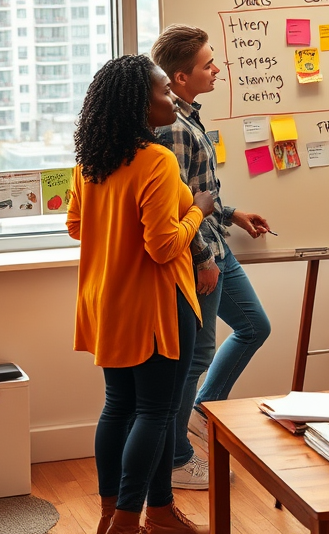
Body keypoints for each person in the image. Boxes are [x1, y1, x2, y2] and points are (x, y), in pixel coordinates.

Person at [67, 55, 215, 534]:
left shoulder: (90, 161)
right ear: (137, 103)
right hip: (156, 304)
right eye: (161, 92)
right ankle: (132, 520)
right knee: (156, 411)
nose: (171, 97)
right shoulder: (156, 159)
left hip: (106, 301)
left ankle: (119, 513)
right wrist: (199, 211)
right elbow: (163, 245)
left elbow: (75, 227)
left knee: (119, 406)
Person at [151, 25, 272, 491]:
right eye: (207, 63)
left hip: (218, 244)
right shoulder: (172, 128)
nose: (217, 68)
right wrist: (202, 256)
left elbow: (199, 193)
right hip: (203, 254)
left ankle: (204, 411)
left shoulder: (189, 117)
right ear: (180, 78)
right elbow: (179, 203)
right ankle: (179, 458)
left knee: (254, 326)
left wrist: (232, 211)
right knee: (197, 354)